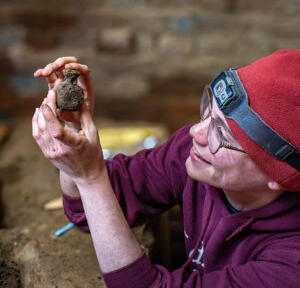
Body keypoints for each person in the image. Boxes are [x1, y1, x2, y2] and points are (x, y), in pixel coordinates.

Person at [32, 49, 300, 288]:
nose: (197, 132)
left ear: (278, 174)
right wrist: (73, 129)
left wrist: (90, 177)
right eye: (209, 111)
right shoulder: (193, 155)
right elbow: (87, 211)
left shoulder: (291, 263)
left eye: (223, 134)